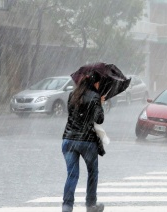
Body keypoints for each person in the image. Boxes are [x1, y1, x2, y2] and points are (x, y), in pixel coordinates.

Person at [61, 71, 105, 212]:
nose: (99, 86)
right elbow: (99, 119)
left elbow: (73, 115)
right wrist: (100, 103)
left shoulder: (72, 95)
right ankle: (91, 205)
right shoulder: (95, 97)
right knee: (92, 172)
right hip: (87, 141)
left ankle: (67, 207)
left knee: (72, 174)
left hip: (69, 140)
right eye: (99, 83)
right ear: (95, 83)